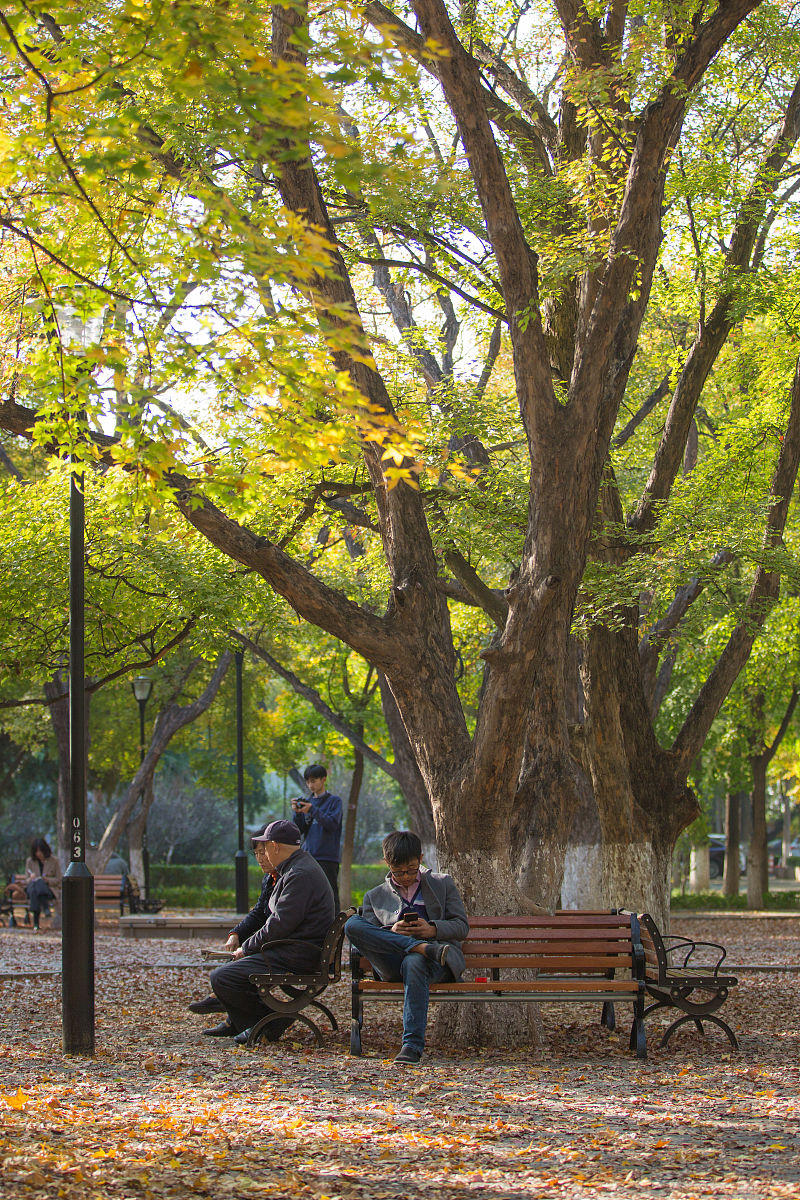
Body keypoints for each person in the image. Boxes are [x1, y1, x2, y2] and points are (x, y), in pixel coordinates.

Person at [204, 819, 336, 1046]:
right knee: (226, 973)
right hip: (294, 949)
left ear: (274, 846)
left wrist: (245, 948)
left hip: (297, 954)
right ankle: (258, 1023)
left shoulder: (299, 874)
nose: (262, 853)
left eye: (264, 847)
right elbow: (270, 919)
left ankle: (270, 1023)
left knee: (222, 977)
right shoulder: (296, 867)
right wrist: (242, 941)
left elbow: (278, 924)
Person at [345, 830, 468, 1065]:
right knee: (351, 923)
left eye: (411, 870)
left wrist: (432, 929)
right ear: (387, 864)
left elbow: (461, 926)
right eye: (398, 872)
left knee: (414, 960)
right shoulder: (374, 896)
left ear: (420, 858)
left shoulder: (442, 884)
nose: (406, 877)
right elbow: (368, 940)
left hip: (436, 959)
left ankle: (411, 1046)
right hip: (391, 963)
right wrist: (392, 932)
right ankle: (419, 947)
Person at [187, 825, 277, 1018]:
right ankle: (229, 1012)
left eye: (264, 852)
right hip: (275, 944)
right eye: (256, 853)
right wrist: (235, 933)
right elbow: (258, 913)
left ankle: (224, 1002)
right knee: (234, 963)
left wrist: (245, 948)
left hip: (284, 950)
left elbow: (278, 922)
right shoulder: (269, 879)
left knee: (228, 972)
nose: (260, 858)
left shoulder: (287, 878)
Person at [291, 764, 343, 909]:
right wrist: (297, 813)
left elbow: (332, 824)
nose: (310, 785)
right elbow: (299, 830)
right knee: (307, 894)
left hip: (327, 856)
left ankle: (336, 928)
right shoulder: (308, 802)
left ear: (323, 779)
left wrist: (313, 810)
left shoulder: (334, 801)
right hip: (308, 856)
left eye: (314, 781)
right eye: (308, 782)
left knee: (331, 894)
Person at [24, 838, 62, 931]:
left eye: (40, 851)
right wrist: (31, 878)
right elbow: (26, 880)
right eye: (36, 852)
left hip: (48, 890)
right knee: (35, 886)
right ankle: (46, 908)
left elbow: (59, 879)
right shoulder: (30, 861)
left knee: (38, 885)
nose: (38, 854)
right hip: (33, 888)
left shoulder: (54, 861)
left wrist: (47, 880)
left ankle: (36, 923)